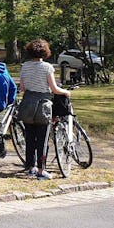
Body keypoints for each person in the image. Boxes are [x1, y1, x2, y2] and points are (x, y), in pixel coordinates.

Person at [18, 39, 70, 180]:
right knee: (42, 139)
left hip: (28, 103)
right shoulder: (47, 67)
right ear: (45, 51)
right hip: (43, 105)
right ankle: (41, 170)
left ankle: (30, 167)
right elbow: (53, 88)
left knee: (29, 138)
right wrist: (65, 92)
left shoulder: (25, 67)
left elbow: (22, 88)